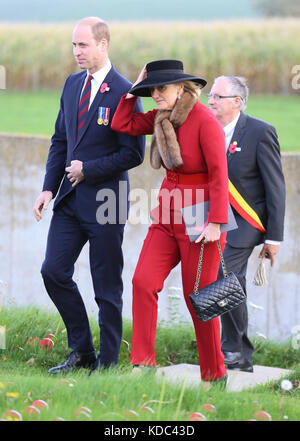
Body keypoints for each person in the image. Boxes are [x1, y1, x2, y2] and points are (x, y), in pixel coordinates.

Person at [33, 17, 145, 374]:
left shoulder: (126, 91)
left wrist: (89, 169)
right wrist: (49, 187)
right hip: (68, 200)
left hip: (106, 203)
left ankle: (108, 364)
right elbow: (60, 141)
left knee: (106, 287)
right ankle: (81, 350)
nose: (77, 52)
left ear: (103, 44)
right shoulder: (71, 85)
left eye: (83, 45)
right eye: (74, 45)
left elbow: (134, 154)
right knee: (53, 271)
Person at [111, 59, 229, 386]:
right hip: (166, 211)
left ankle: (214, 374)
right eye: (152, 90)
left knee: (200, 300)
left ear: (181, 88)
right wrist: (135, 89)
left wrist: (216, 223)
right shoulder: (162, 116)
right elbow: (123, 122)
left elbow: (220, 175)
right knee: (142, 282)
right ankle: (143, 365)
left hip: (201, 217)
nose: (156, 95)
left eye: (161, 88)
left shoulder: (205, 122)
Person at [208, 76, 285, 372]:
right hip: (213, 216)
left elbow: (275, 186)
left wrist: (273, 238)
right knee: (232, 280)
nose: (210, 100)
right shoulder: (207, 128)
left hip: (246, 219)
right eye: (210, 95)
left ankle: (233, 349)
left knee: (223, 271)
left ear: (237, 102)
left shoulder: (260, 131)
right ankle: (239, 351)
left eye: (217, 96)